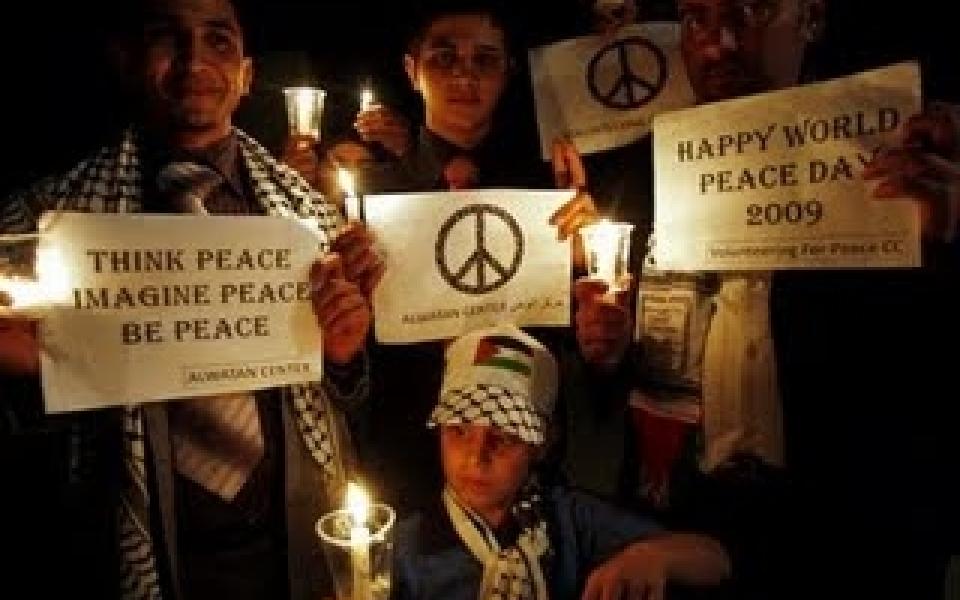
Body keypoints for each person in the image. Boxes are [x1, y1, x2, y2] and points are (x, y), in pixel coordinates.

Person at [570, 0, 959, 597]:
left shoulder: (896, 162)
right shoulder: (644, 180)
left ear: (811, 19)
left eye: (749, 12)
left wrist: (951, 239)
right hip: (684, 536)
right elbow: (627, 379)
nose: (719, 43)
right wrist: (607, 347)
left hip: (851, 548)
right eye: (697, 18)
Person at [0, 0, 382, 597]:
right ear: (125, 59)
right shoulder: (41, 222)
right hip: (129, 550)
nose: (194, 60)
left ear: (248, 74)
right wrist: (29, 378)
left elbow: (349, 402)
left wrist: (341, 354)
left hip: (292, 543)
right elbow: (28, 455)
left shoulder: (311, 219)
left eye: (218, 40)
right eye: (167, 38)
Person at [280, 1, 599, 514]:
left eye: (484, 59)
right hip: (404, 454)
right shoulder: (366, 198)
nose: (465, 74)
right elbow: (342, 358)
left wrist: (585, 261)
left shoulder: (551, 194)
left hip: (514, 450)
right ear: (412, 70)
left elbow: (576, 341)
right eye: (444, 57)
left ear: (508, 71)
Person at [391, 323, 731, 599]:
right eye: (460, 431)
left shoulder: (565, 520)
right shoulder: (404, 547)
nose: (477, 456)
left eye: (505, 437)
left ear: (542, 443)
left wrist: (652, 557)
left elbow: (715, 559)